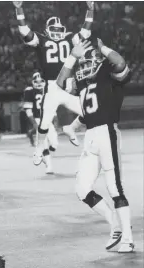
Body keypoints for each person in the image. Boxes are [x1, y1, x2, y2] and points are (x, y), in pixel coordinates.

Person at [56, 38, 134, 253]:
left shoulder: (110, 74)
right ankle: (115, 225)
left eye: (92, 59)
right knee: (82, 189)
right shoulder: (84, 81)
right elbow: (60, 84)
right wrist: (72, 56)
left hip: (107, 132)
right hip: (90, 136)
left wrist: (103, 48)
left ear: (100, 60)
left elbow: (119, 63)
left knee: (114, 188)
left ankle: (128, 238)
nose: (87, 64)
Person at [13, 1, 94, 165]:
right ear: (47, 30)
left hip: (68, 85)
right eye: (54, 30)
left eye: (59, 30)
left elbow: (85, 32)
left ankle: (71, 128)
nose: (57, 33)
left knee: (90, 113)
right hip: (52, 87)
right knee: (44, 122)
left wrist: (90, 10)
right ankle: (38, 149)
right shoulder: (42, 39)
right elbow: (24, 31)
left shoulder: (69, 37)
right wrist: (19, 9)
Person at [22, 72, 58, 174]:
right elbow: (28, 110)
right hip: (38, 119)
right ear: (32, 82)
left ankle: (43, 155)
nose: (38, 83)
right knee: (44, 143)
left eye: (41, 80)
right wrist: (33, 122)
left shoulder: (48, 91)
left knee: (54, 143)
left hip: (47, 119)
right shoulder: (29, 92)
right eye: (36, 81)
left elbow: (52, 107)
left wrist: (55, 120)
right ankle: (49, 165)